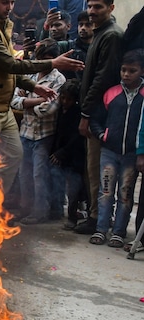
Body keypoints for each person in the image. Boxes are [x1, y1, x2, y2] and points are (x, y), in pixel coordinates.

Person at [0, 0, 84, 196]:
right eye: (4, 3)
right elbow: (11, 65)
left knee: (14, 155)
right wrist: (52, 63)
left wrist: (34, 86)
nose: (9, 7)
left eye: (12, 2)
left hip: (3, 106)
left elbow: (10, 70)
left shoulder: (2, 26)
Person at [86, 49, 144, 248]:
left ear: (142, 72)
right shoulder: (111, 93)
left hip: (131, 154)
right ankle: (101, 230)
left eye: (132, 71)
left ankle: (119, 232)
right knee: (106, 191)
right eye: (123, 70)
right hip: (109, 151)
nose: (126, 74)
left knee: (126, 193)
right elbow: (96, 119)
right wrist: (103, 135)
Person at [75, 0, 123, 234]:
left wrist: (86, 114)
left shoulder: (111, 36)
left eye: (98, 7)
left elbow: (103, 79)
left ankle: (97, 219)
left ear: (111, 8)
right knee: (92, 168)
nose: (92, 11)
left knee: (97, 169)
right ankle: (97, 215)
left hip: (99, 117)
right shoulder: (101, 33)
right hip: (95, 113)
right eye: (90, 6)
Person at [10, 38, 66, 225]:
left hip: (44, 135)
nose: (44, 63)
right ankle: (25, 208)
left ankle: (40, 211)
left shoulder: (59, 79)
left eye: (49, 58)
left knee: (39, 175)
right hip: (25, 132)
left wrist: (26, 101)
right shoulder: (29, 73)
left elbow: (47, 110)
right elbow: (13, 101)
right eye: (42, 58)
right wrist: (39, 99)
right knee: (23, 174)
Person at [49, 79, 86, 230]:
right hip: (60, 156)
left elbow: (77, 137)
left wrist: (62, 153)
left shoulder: (77, 113)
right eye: (62, 98)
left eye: (68, 99)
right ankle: (56, 211)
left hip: (74, 158)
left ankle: (72, 218)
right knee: (57, 184)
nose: (65, 101)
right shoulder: (59, 111)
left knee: (73, 192)